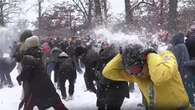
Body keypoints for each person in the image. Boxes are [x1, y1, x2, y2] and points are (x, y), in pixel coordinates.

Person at [102, 43, 191, 110]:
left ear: (145, 61)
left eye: (136, 70)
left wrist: (150, 54)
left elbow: (159, 77)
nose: (136, 75)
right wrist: (122, 54)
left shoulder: (165, 57)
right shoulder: (137, 76)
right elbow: (107, 72)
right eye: (130, 72)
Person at [16, 36, 68, 110]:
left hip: (35, 86)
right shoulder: (40, 52)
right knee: (56, 102)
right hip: (45, 82)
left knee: (28, 105)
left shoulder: (28, 56)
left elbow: (27, 71)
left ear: (29, 44)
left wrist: (19, 77)